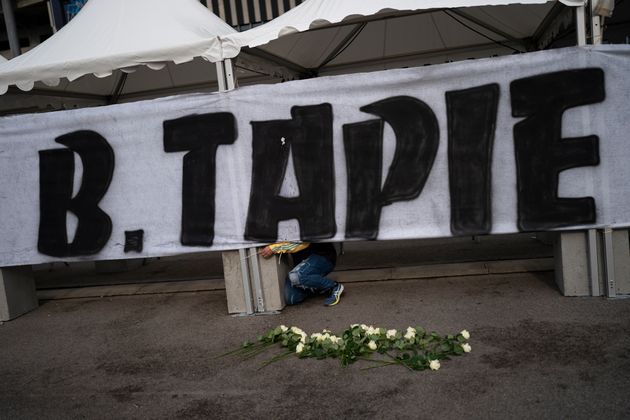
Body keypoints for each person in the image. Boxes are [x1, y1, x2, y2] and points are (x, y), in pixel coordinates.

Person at [260, 242, 344, 306]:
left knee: (296, 276)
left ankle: (333, 286)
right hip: (302, 264)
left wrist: (274, 248)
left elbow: (302, 243)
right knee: (291, 298)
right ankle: (317, 287)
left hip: (323, 257)